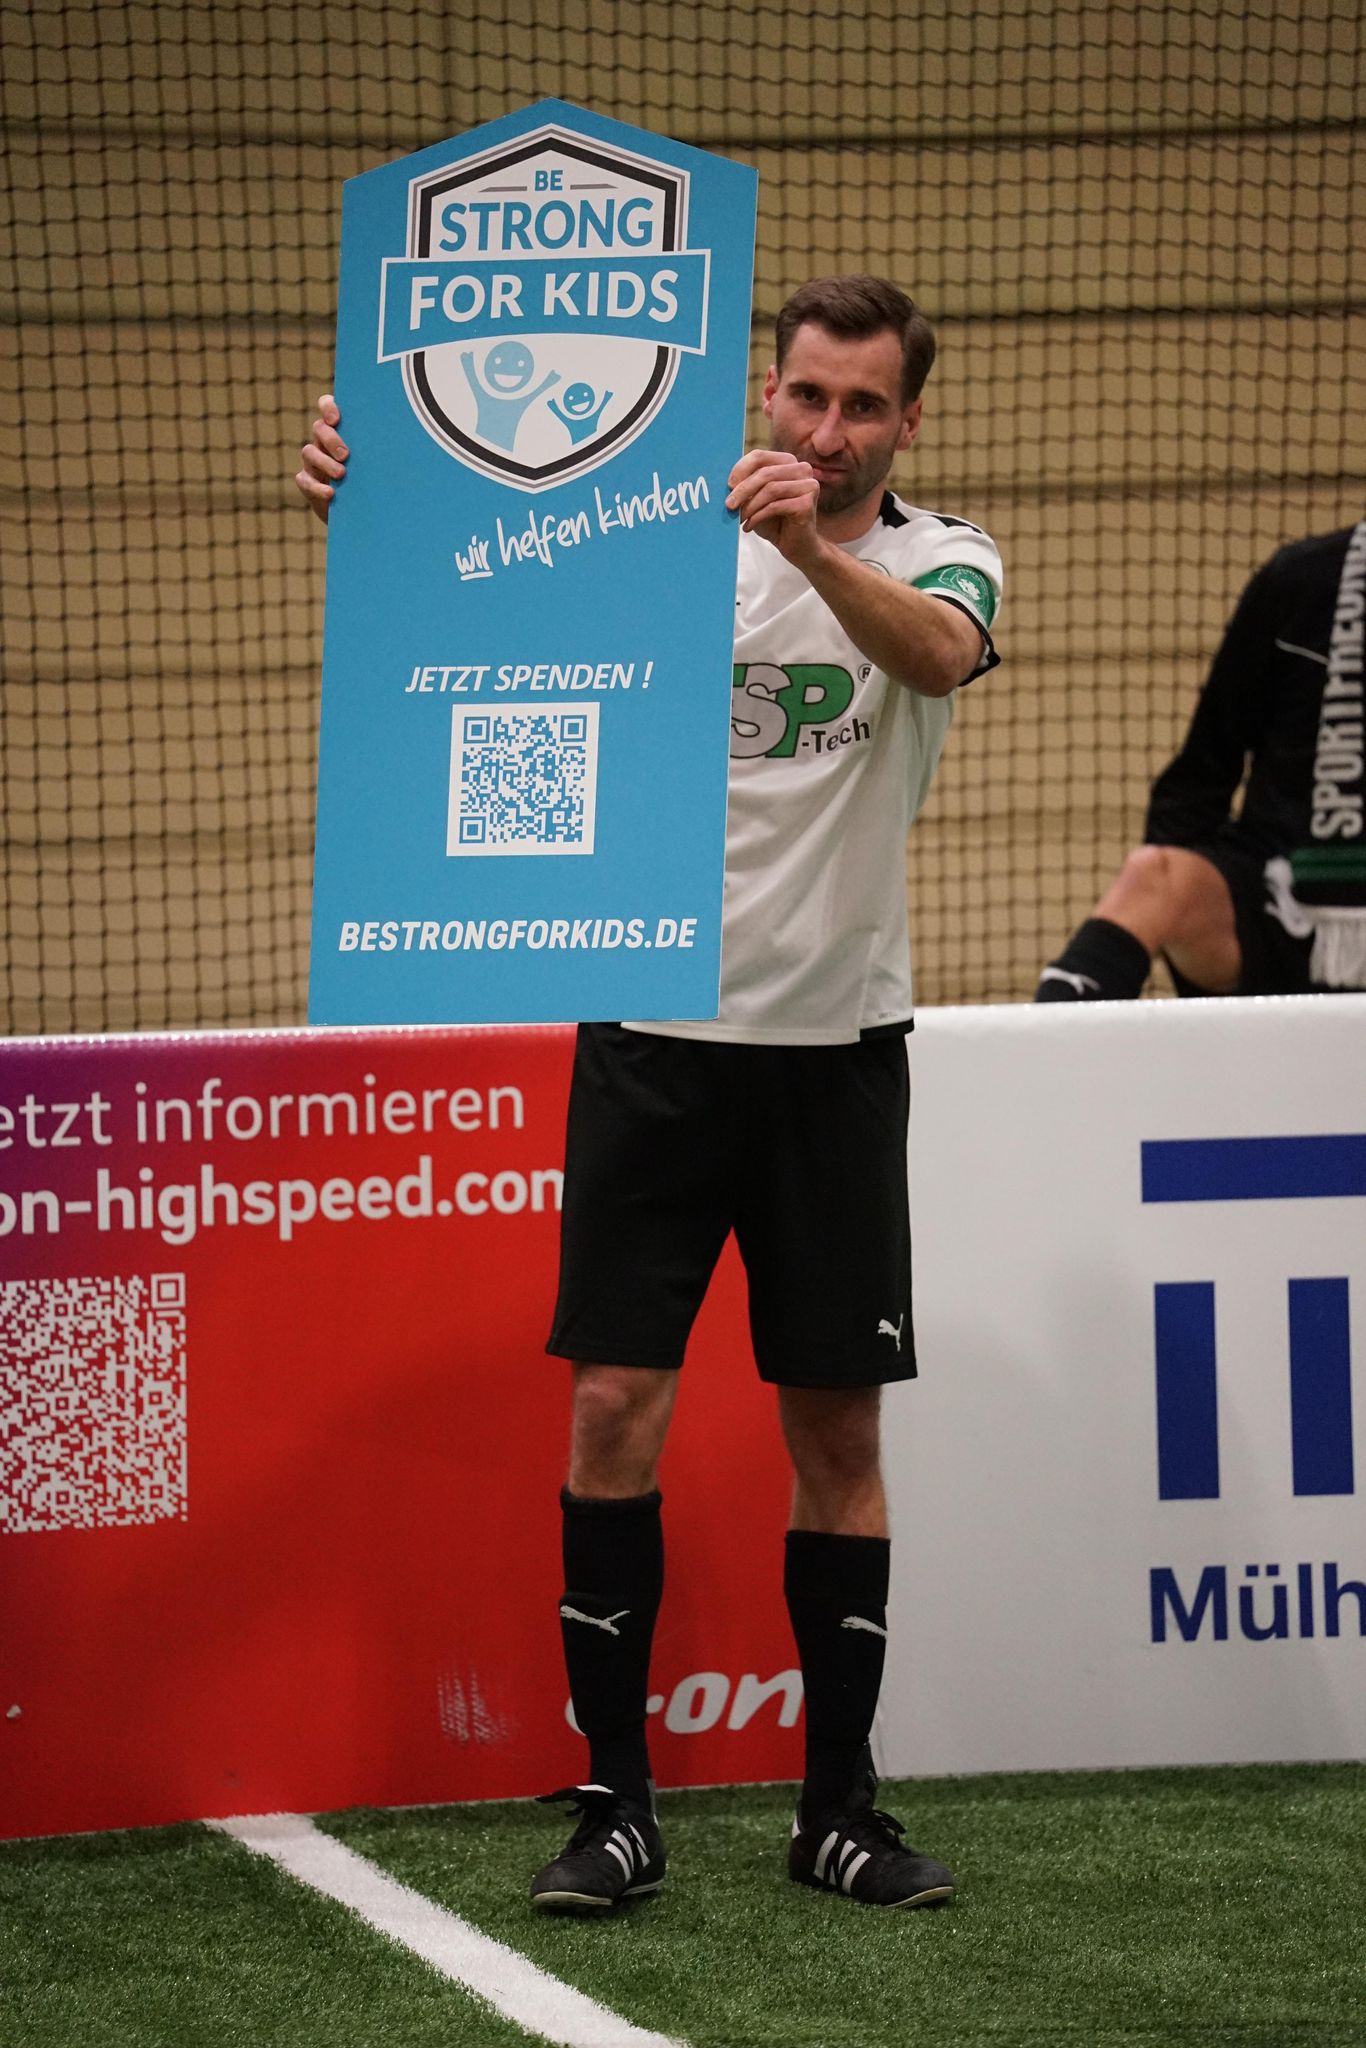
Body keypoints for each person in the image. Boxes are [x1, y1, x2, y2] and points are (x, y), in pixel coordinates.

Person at [297, 274, 1003, 1915]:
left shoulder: (939, 555)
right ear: (766, 391)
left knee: (835, 1426)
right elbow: (471, 586)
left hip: (837, 1053)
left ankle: (836, 1810)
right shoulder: (650, 544)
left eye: (862, 405)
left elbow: (939, 659)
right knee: (614, 1405)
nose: (826, 429)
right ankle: (616, 1803)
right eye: (804, 395)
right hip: (650, 1039)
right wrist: (370, 499)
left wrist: (809, 549)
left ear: (907, 421)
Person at [1035, 520, 1366, 1002]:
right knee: (1154, 878)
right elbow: (1203, 769)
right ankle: (1048, 1047)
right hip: (1281, 901)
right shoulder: (1304, 578)